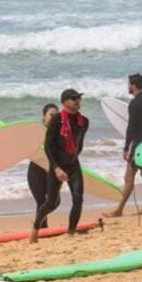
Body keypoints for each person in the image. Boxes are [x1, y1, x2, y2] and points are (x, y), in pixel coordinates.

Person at [30, 89, 89, 243]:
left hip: (73, 165)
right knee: (50, 203)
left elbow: (79, 144)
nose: (77, 101)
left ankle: (71, 233)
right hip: (57, 166)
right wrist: (56, 168)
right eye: (73, 98)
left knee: (78, 199)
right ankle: (36, 227)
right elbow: (47, 147)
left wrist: (73, 157)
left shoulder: (84, 122)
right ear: (64, 102)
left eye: (79, 98)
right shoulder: (56, 120)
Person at [105, 73, 142, 218]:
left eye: (128, 84)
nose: (128, 87)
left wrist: (127, 146)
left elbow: (131, 126)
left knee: (129, 177)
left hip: (138, 142)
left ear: (133, 85)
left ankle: (119, 210)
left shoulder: (134, 104)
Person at [27, 103, 59, 230]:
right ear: (44, 116)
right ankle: (42, 227)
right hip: (36, 171)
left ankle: (38, 222)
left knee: (55, 202)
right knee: (41, 202)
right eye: (51, 115)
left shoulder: (59, 133)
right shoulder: (38, 132)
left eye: (56, 115)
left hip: (50, 172)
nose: (54, 117)